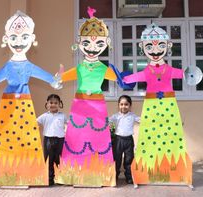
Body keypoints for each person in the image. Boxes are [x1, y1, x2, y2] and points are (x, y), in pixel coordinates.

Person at [0, 11, 61, 186]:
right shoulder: (8, 66)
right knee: (6, 134)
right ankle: (6, 172)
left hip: (24, 102)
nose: (19, 42)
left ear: (31, 38)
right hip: (8, 103)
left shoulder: (28, 66)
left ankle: (27, 173)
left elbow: (44, 75)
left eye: (24, 37)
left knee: (27, 136)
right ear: (7, 39)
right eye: (14, 38)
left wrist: (54, 81)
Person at [111, 23, 192, 186]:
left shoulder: (169, 69)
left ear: (168, 46)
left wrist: (189, 73)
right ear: (143, 48)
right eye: (150, 46)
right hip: (151, 106)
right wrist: (123, 78)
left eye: (160, 46)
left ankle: (175, 171)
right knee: (149, 137)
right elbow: (135, 77)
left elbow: (185, 73)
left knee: (171, 136)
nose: (155, 51)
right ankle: (146, 172)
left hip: (168, 105)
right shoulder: (147, 71)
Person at [54, 7, 117, 187]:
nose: (92, 48)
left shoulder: (104, 68)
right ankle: (72, 175)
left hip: (97, 106)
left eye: (98, 44)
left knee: (98, 139)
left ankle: (100, 176)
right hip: (80, 105)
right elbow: (62, 77)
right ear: (80, 44)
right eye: (87, 43)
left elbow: (119, 78)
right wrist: (59, 77)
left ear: (106, 44)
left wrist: (127, 78)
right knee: (77, 137)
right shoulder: (80, 68)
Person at [37, 94, 67, 186]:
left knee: (59, 159)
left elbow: (69, 123)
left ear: (59, 104)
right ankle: (49, 179)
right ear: (47, 104)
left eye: (55, 103)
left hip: (60, 140)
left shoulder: (62, 116)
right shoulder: (44, 116)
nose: (53, 104)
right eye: (51, 102)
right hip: (48, 140)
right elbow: (35, 122)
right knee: (49, 159)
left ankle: (59, 178)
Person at [109, 95, 140, 184]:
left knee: (129, 159)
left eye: (126, 104)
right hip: (118, 140)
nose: (124, 106)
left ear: (130, 105)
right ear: (118, 105)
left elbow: (141, 120)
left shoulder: (132, 116)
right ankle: (115, 176)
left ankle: (129, 177)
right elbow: (107, 120)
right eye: (121, 104)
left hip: (129, 140)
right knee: (117, 159)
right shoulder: (116, 116)